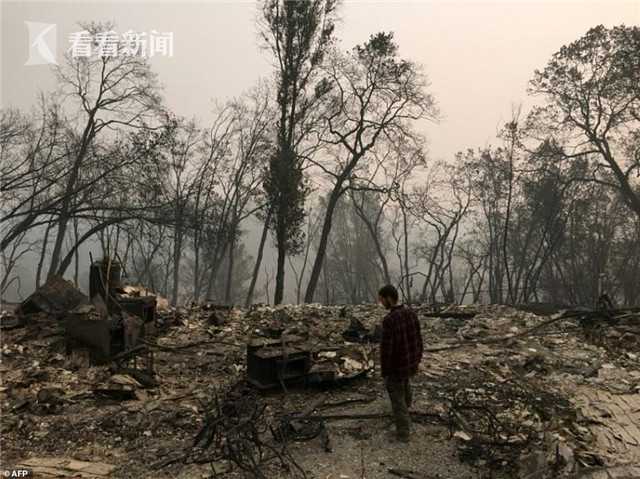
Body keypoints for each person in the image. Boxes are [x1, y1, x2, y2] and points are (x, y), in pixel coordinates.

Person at [378, 284, 423, 442]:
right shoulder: (411, 313)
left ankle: (403, 433)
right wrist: (417, 359)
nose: (381, 303)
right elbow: (418, 339)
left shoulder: (389, 320)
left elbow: (386, 351)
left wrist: (385, 372)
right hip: (410, 363)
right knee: (405, 386)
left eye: (382, 299)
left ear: (389, 298)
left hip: (397, 367)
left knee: (397, 399)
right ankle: (407, 412)